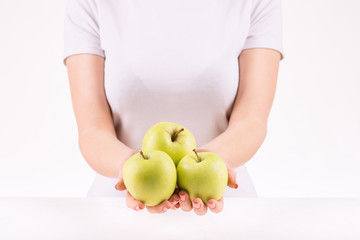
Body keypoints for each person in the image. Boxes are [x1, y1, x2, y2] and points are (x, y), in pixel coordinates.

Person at [63, 0, 283, 216]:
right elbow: (92, 130)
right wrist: (127, 167)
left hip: (226, 215)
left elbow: (252, 121)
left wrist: (210, 160)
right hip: (116, 215)